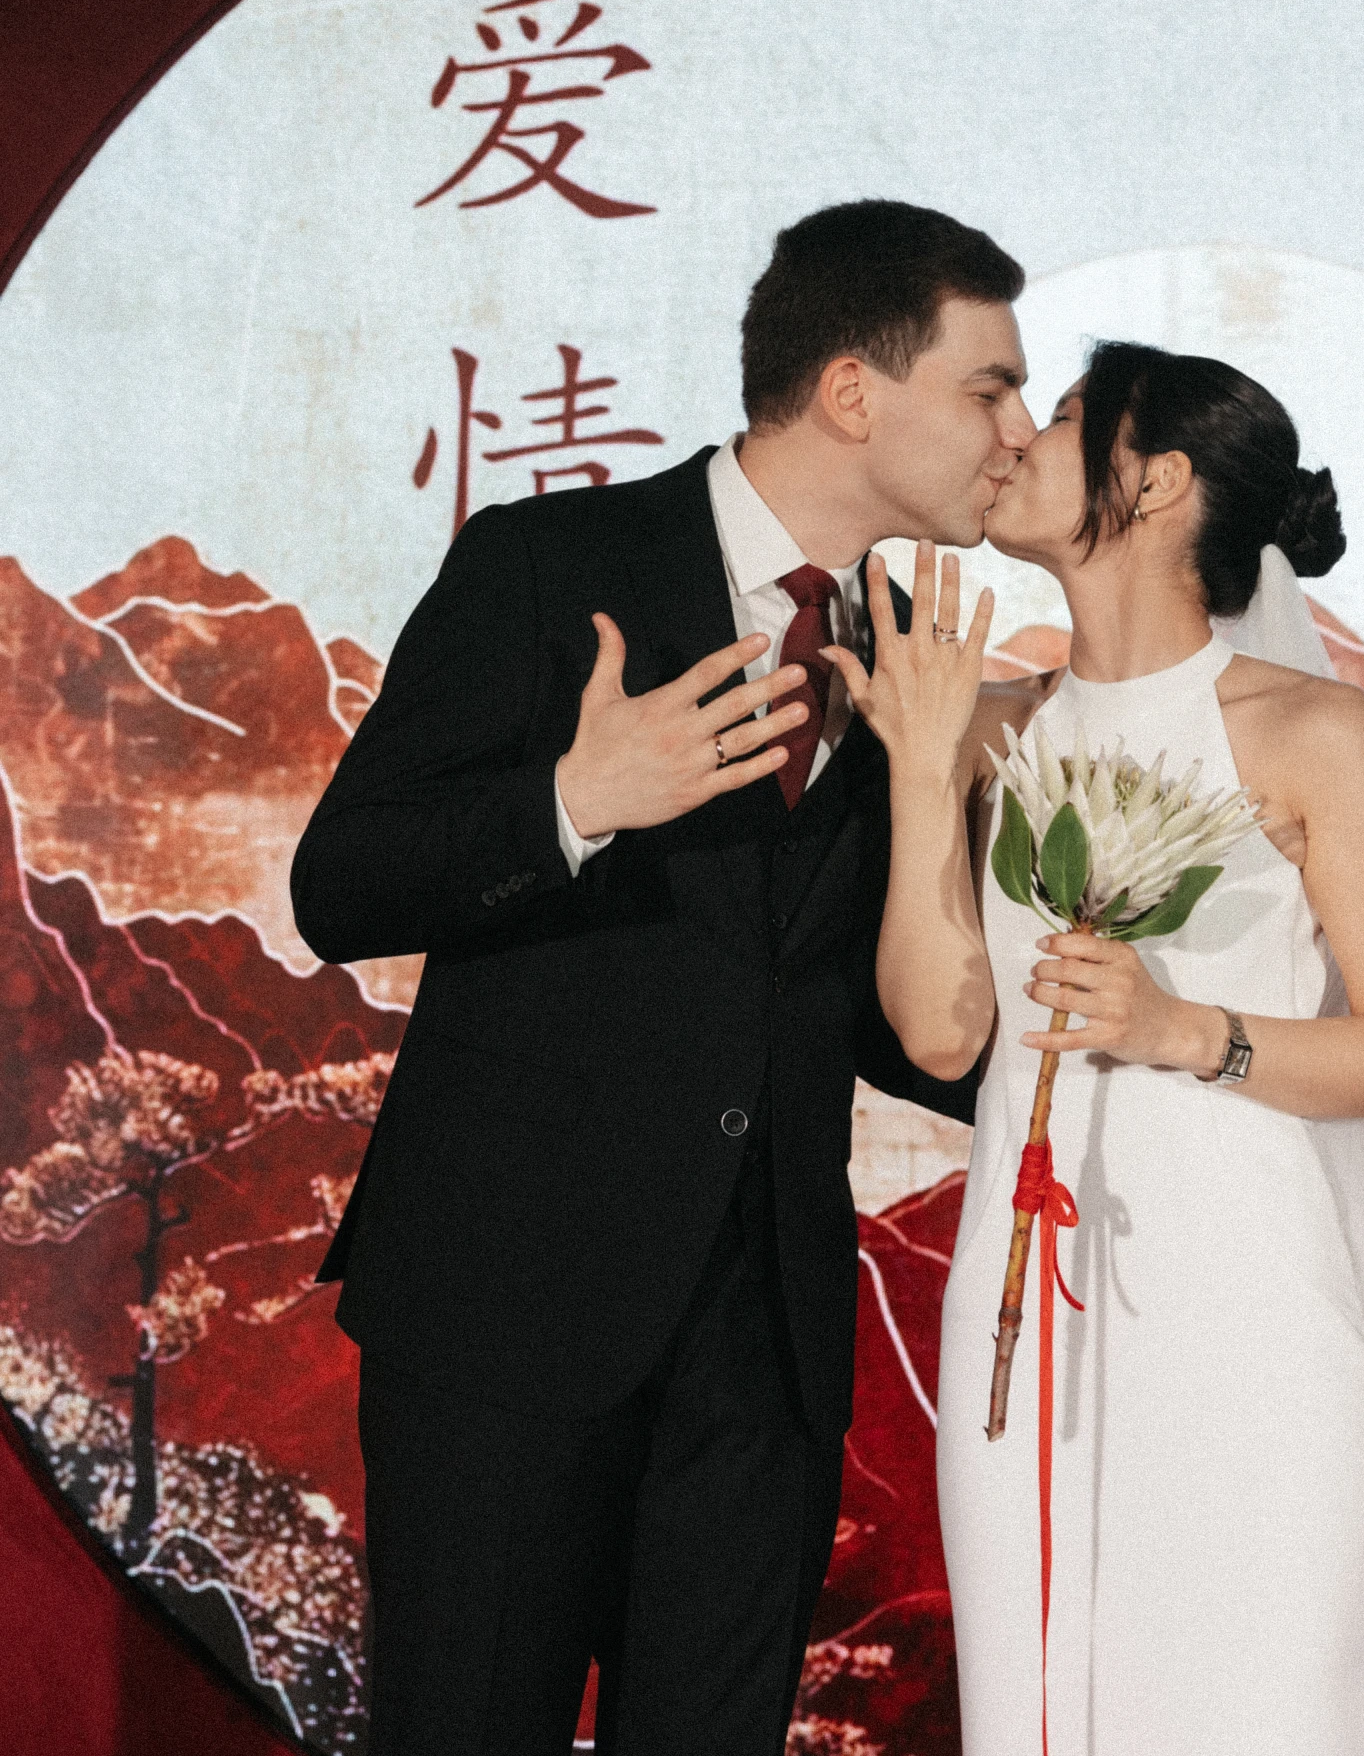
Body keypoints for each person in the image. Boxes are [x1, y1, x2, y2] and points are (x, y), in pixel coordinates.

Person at [289, 199, 1035, 1756]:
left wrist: (1101, 1038)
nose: (1016, 433)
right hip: (505, 1313)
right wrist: (576, 802)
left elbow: (868, 1016)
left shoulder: (908, 651)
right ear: (853, 393)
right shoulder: (552, 563)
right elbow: (340, 886)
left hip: (763, 1349)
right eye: (989, 388)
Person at [825, 341, 1364, 1756]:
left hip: (1261, 1314)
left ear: (1157, 478)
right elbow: (939, 1031)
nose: (1022, 437)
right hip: (1032, 1313)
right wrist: (922, 771)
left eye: (1069, 417)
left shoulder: (1309, 730)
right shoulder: (991, 728)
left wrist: (1182, 1029)